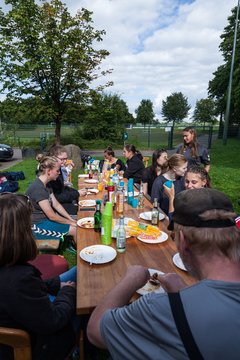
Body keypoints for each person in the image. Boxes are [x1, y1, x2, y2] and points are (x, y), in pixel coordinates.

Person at [87, 188, 240, 359]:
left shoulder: (160, 308)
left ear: (182, 241)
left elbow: (95, 331)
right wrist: (182, 292)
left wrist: (131, 279)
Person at [0, 193, 79, 360]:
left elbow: (30, 290)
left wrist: (57, 283)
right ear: (20, 233)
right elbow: (53, 321)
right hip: (39, 343)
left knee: (79, 271)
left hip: (26, 312)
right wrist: (68, 292)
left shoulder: (10, 268)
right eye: (28, 227)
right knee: (85, 303)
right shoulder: (18, 279)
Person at [26, 155, 77, 243]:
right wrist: (71, 222)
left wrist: (70, 219)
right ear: (49, 171)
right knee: (75, 229)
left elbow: (56, 204)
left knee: (75, 224)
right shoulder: (38, 189)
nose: (59, 173)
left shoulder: (46, 184)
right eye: (57, 170)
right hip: (37, 226)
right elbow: (52, 216)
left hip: (45, 221)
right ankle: (81, 254)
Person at [46, 144, 86, 215]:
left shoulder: (59, 169)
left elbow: (62, 188)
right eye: (62, 159)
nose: (65, 161)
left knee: (83, 205)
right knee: (82, 211)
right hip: (53, 206)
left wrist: (76, 192)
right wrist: (76, 193)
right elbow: (57, 197)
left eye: (66, 159)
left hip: (60, 201)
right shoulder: (51, 174)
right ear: (53, 158)